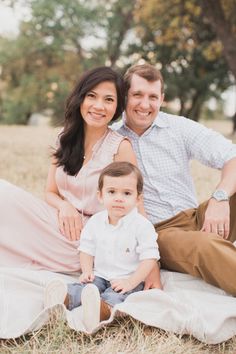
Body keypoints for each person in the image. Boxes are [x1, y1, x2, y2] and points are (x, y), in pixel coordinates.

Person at [0, 66, 139, 272]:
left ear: (118, 107)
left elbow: (134, 206)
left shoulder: (121, 148)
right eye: (92, 96)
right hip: (58, 219)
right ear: (80, 98)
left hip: (89, 238)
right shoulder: (65, 138)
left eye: (109, 100)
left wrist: (146, 258)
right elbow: (50, 192)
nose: (99, 106)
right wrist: (65, 207)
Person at [114, 63, 236, 296]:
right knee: (205, 246)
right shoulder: (113, 139)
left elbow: (232, 156)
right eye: (137, 95)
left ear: (162, 99)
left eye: (152, 97)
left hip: (199, 216)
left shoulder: (178, 127)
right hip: (161, 232)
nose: (145, 104)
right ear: (124, 97)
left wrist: (220, 198)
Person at [44, 161, 161, 331]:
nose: (118, 198)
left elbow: (149, 258)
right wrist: (87, 271)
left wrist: (131, 282)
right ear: (100, 196)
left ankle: (100, 310)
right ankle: (63, 298)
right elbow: (86, 249)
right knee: (86, 287)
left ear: (138, 199)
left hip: (127, 278)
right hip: (100, 275)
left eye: (127, 193)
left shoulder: (142, 226)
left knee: (116, 296)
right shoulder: (96, 221)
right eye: (112, 192)